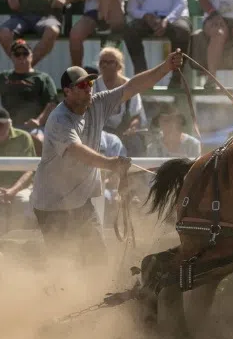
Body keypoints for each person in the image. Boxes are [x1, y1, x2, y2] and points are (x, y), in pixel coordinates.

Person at [32, 51, 185, 255]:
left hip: (82, 201)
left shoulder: (98, 103)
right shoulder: (59, 119)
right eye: (82, 86)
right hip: (53, 205)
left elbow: (133, 86)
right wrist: (111, 164)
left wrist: (165, 67)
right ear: (67, 91)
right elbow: (77, 150)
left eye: (90, 83)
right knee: (63, 259)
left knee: (97, 258)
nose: (89, 88)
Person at [93, 48, 146, 156]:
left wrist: (133, 127)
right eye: (102, 62)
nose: (105, 65)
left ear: (119, 66)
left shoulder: (130, 86)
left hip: (125, 134)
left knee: (136, 142)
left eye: (110, 62)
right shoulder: (93, 86)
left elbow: (137, 115)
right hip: (100, 134)